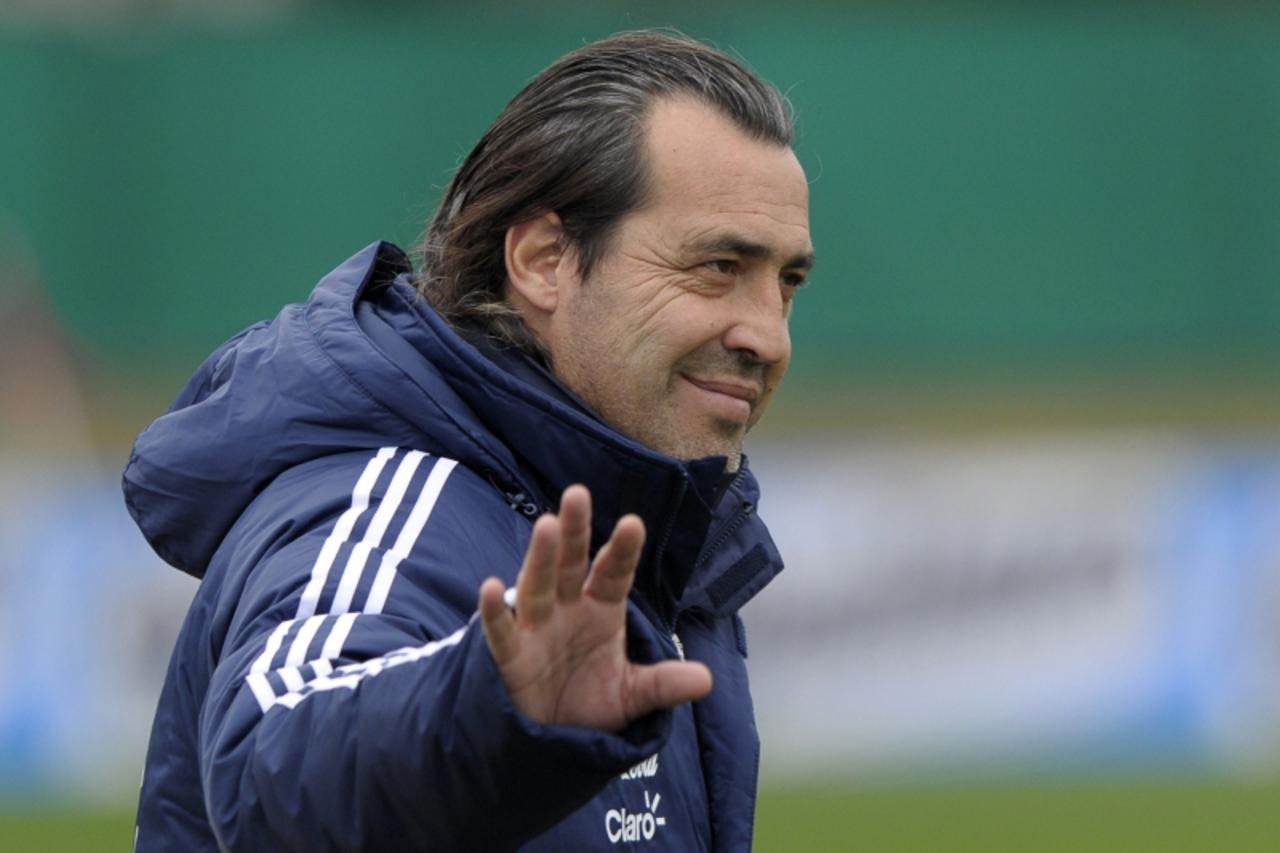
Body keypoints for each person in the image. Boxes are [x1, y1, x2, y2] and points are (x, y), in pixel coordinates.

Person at [125, 29, 813, 851]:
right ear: (544, 260)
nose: (768, 336)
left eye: (786, 283)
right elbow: (270, 768)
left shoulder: (640, 528)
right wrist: (489, 708)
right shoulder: (380, 501)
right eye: (718, 267)